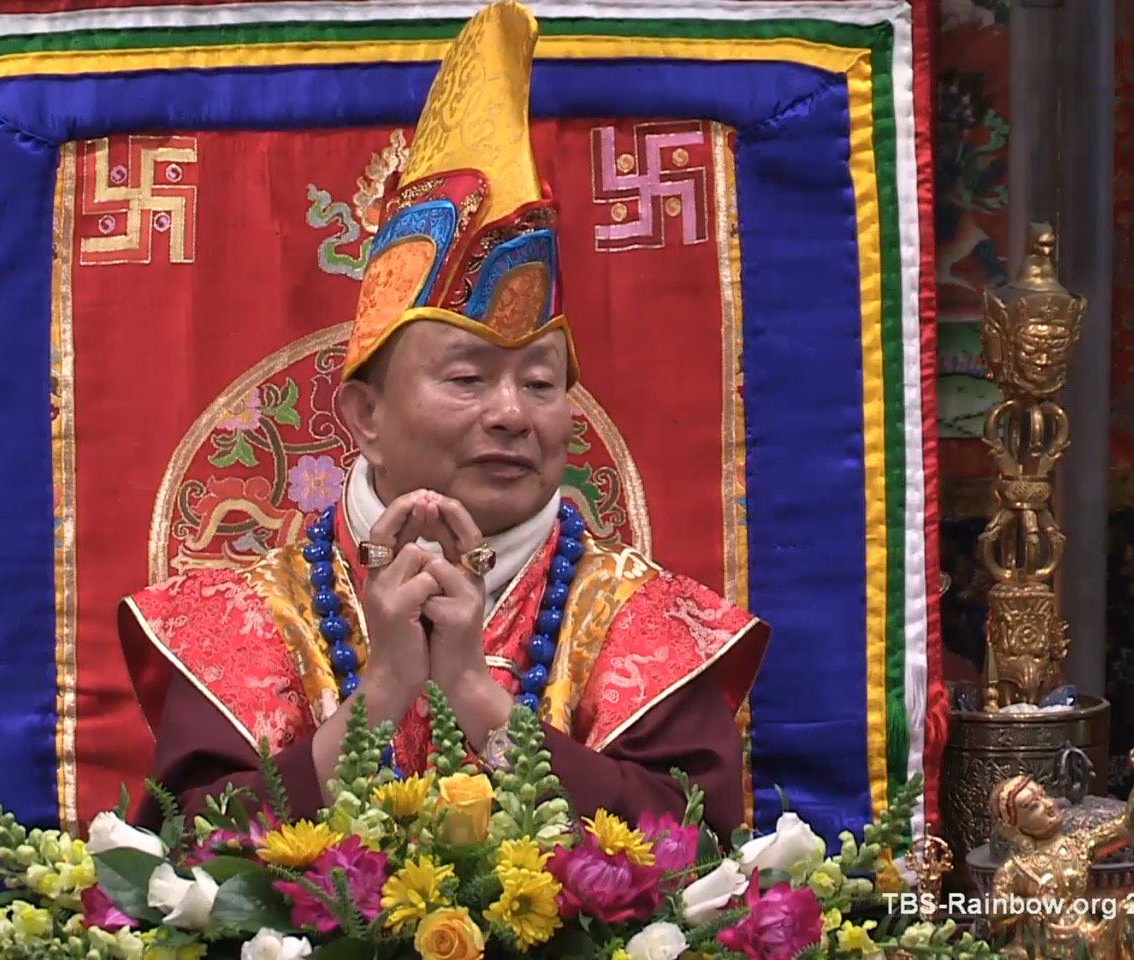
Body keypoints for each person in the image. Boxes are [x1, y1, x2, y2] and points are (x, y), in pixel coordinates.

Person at [118, 0, 770, 836]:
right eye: (467, 378)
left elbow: (696, 851)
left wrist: (473, 693)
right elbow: (184, 850)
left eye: (540, 384)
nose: (511, 414)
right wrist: (383, 692)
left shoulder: (645, 621)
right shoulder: (238, 618)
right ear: (365, 414)